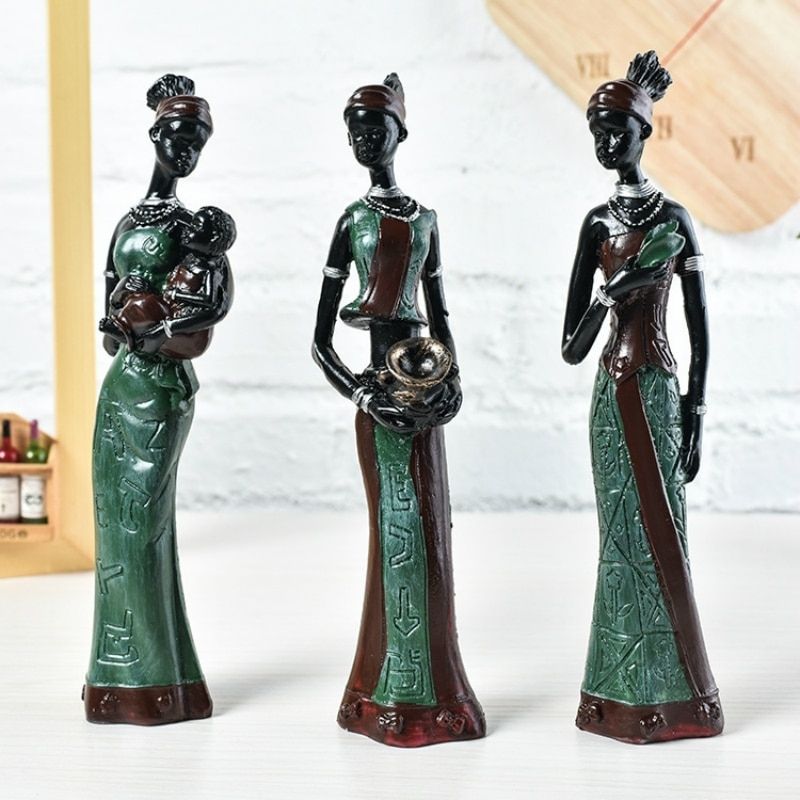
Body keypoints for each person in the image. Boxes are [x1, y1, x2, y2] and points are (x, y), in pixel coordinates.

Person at [312, 73, 485, 747]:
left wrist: (452, 381)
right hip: (377, 394)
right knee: (394, 529)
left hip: (423, 386)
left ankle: (433, 691)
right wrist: (362, 393)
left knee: (429, 529)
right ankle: (383, 688)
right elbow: (321, 341)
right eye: (354, 131)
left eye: (375, 129)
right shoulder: (350, 223)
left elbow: (440, 315)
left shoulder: (424, 221)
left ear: (399, 133)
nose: (365, 141)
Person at [561, 51, 723, 744]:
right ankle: (615, 688)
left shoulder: (675, 220)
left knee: (665, 535)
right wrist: (611, 295)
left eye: (617, 131)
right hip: (612, 393)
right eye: (596, 131)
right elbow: (571, 346)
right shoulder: (598, 225)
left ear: (642, 133)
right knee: (619, 540)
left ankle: (678, 688)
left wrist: (695, 416)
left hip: (657, 392)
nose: (606, 143)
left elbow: (700, 332)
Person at [84, 74, 233, 725]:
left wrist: (157, 325)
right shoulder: (128, 222)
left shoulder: (198, 231)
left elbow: (210, 312)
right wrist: (127, 322)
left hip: (163, 387)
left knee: (143, 525)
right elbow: (107, 312)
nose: (186, 150)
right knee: (118, 528)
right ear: (155, 136)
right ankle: (138, 678)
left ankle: (153, 677)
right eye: (177, 137)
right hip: (123, 385)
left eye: (196, 141)